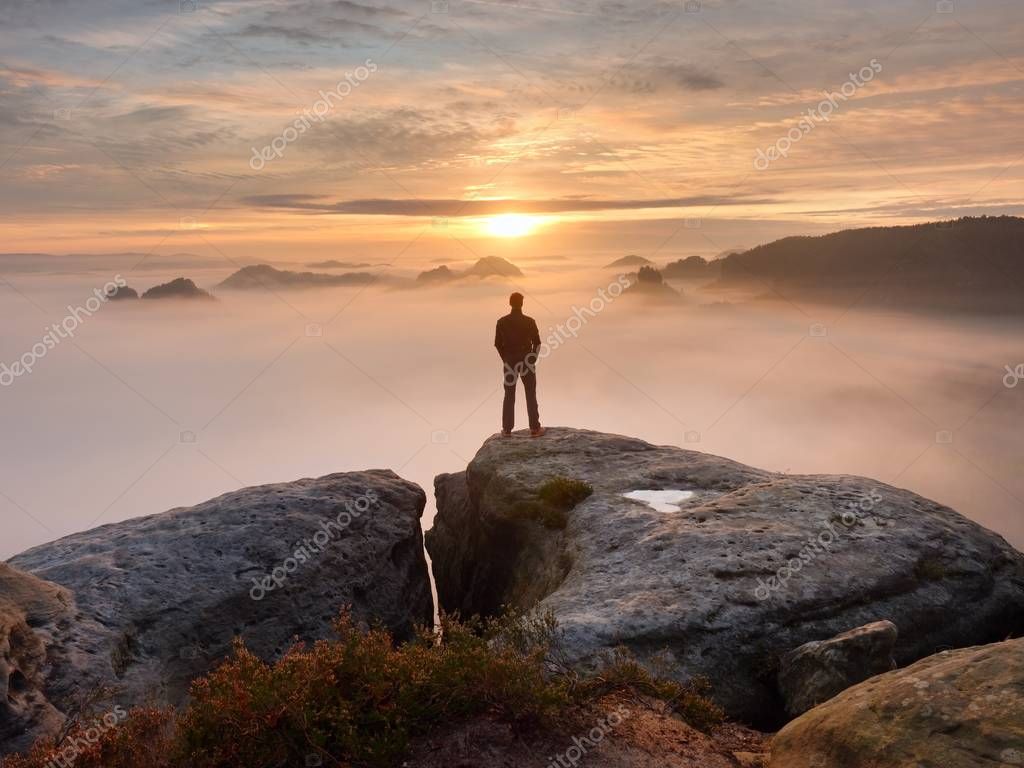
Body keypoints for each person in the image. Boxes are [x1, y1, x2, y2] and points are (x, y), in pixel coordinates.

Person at [494, 292, 545, 437]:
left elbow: (498, 344)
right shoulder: (530, 321)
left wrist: (506, 358)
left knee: (509, 394)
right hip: (526, 359)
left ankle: (507, 430)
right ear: (522, 304)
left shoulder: (501, 322)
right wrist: (532, 358)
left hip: (510, 359)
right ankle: (535, 428)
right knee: (530, 393)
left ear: (510, 303)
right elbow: (537, 343)